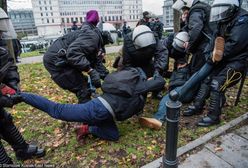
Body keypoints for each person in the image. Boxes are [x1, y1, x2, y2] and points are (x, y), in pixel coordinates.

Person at [19, 67, 165, 141]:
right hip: (97, 109)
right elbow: (160, 82)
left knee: (113, 135)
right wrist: (155, 76)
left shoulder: (129, 83)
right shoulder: (139, 86)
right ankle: (21, 95)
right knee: (57, 110)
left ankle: (86, 129)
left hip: (106, 113)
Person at [138, 0, 213, 129]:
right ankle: (195, 105)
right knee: (194, 81)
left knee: (171, 96)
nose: (184, 13)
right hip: (187, 82)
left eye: (185, 11)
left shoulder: (196, 11)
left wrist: (189, 47)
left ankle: (158, 119)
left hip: (185, 87)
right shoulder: (201, 11)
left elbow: (195, 28)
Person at [184, 0, 248, 126]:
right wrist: (209, 54)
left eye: (222, 10)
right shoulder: (223, 21)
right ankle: (198, 106)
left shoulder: (243, 21)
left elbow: (235, 45)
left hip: (238, 61)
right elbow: (213, 40)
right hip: (222, 59)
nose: (220, 13)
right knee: (206, 79)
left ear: (232, 8)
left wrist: (217, 56)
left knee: (217, 83)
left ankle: (214, 116)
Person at [0, 9, 45, 164]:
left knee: (4, 120)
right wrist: (5, 99)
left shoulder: (1, 49)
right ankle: (4, 162)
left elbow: (9, 66)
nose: (1, 33)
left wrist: (13, 84)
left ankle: (22, 149)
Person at [43, 10, 112, 104]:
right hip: (56, 61)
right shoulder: (92, 37)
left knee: (84, 83)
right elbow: (73, 53)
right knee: (83, 89)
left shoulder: (91, 36)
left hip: (61, 58)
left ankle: (86, 111)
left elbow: (95, 61)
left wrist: (108, 78)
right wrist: (90, 71)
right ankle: (86, 116)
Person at [119, 25, 168, 99]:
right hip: (134, 63)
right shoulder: (128, 40)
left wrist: (158, 70)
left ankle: (156, 91)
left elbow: (162, 53)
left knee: (156, 74)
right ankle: (138, 95)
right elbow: (127, 63)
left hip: (148, 61)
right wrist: (137, 74)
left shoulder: (154, 36)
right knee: (135, 78)